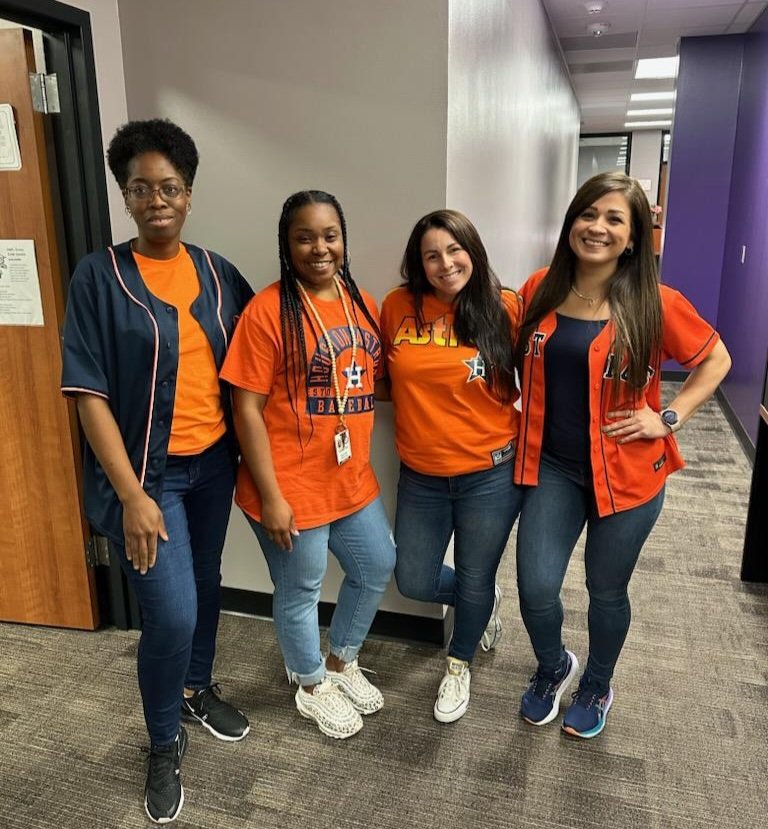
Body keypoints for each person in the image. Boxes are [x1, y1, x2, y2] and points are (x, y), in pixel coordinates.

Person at [60, 119, 253, 824]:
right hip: (151, 478)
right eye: (140, 188)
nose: (156, 199)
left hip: (213, 468)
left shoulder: (217, 270)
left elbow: (253, 363)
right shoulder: (99, 277)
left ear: (189, 193)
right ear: (125, 195)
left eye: (169, 186)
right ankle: (163, 737)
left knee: (206, 584)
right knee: (169, 613)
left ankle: (197, 689)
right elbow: (87, 393)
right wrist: (132, 493)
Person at [513, 172, 731, 739]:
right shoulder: (539, 287)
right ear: (571, 223)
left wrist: (667, 417)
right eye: (589, 214)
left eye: (615, 220)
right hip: (554, 468)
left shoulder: (655, 301)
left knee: (606, 590)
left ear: (633, 238)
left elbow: (715, 360)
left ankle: (598, 682)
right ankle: (553, 665)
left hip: (629, 472)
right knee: (536, 587)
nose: (599, 227)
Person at [220, 190, 396, 740]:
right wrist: (271, 497)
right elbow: (244, 407)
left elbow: (375, 379)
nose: (319, 248)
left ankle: (342, 661)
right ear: (286, 244)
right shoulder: (268, 310)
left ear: (343, 240)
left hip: (349, 476)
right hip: (290, 483)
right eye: (304, 237)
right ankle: (311, 682)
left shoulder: (360, 301)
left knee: (376, 564)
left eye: (329, 235)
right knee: (302, 586)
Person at [379, 210, 524, 723]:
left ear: (472, 250)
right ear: (419, 263)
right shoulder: (398, 306)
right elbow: (382, 380)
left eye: (454, 250)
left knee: (474, 574)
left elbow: (545, 379)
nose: (445, 264)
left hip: (490, 472)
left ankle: (458, 666)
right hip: (422, 474)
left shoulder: (505, 307)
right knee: (414, 578)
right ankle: (480, 599)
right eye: (431, 255)